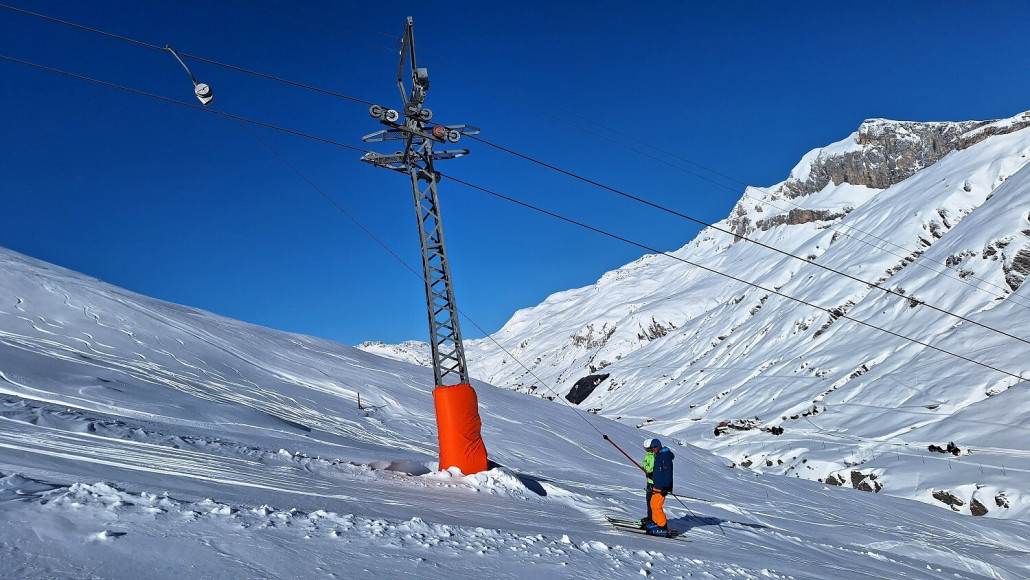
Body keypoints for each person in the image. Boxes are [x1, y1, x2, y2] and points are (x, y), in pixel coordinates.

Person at [644, 439, 674, 537]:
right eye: (652, 448)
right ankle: (656, 523)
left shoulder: (665, 456)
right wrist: (653, 475)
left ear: (659, 446)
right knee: (653, 505)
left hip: (662, 487)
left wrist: (666, 486)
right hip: (657, 484)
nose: (654, 449)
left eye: (655, 447)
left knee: (657, 506)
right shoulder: (659, 455)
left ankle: (662, 527)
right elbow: (659, 470)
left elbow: (667, 473)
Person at [640, 438, 658, 526]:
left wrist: (647, 468)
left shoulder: (655, 455)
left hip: (654, 482)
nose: (647, 451)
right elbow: (643, 464)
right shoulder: (648, 455)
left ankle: (653, 518)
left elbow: (650, 468)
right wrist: (646, 467)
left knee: (653, 501)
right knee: (648, 499)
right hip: (649, 481)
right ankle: (649, 517)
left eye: (648, 449)